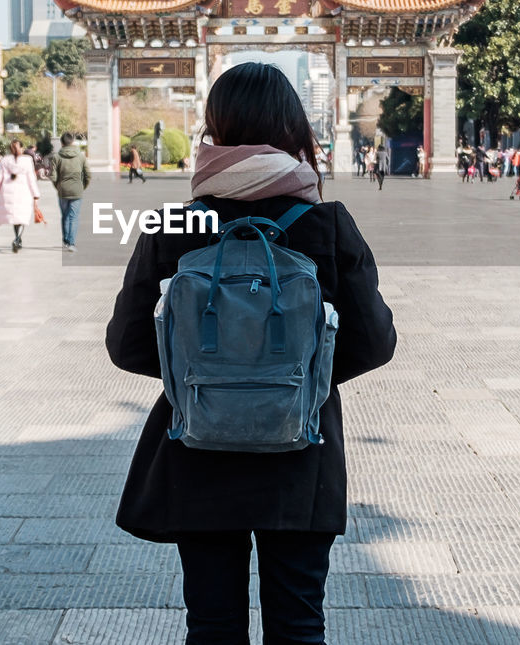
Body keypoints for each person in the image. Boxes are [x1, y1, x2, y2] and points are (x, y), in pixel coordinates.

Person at [106, 61, 397, 644]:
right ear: (294, 129)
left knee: (212, 625)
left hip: (198, 448)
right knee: (298, 623)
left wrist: (205, 376)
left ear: (214, 128)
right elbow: (375, 343)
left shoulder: (170, 227)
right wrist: (298, 377)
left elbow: (127, 345)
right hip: (300, 451)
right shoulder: (328, 225)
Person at [0, 139, 42, 253]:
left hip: (8, 192)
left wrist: (1, 191)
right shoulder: (27, 161)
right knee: (21, 218)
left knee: (15, 218)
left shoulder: (4, 161)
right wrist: (36, 195)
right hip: (24, 193)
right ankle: (17, 239)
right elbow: (31, 180)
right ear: (21, 148)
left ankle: (18, 239)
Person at [51, 132, 90, 252]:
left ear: (62, 143)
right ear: (73, 142)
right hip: (77, 190)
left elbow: (53, 176)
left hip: (62, 190)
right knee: (73, 217)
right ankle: (72, 243)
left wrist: (58, 186)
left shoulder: (57, 157)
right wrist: (82, 186)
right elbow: (88, 174)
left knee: (65, 216)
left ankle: (66, 240)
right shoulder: (81, 156)